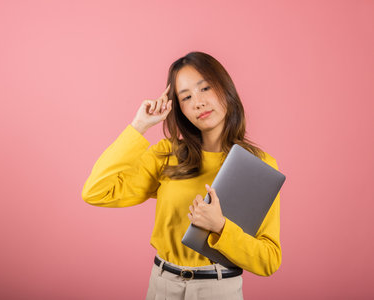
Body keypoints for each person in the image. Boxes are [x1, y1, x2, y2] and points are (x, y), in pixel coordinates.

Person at [82, 51, 282, 300]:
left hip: (219, 289)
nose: (198, 102)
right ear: (180, 110)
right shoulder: (168, 153)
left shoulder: (258, 165)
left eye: (205, 88)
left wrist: (220, 227)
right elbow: (96, 191)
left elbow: (269, 260)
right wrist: (139, 125)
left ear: (226, 89)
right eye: (186, 97)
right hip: (162, 285)